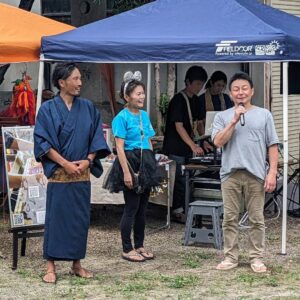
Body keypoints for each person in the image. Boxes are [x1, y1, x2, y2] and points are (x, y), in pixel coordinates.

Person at [34, 63, 110, 284]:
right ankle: (50, 266)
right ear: (61, 82)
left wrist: (89, 161)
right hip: (60, 174)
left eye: (80, 79)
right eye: (75, 79)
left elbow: (97, 137)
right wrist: (64, 163)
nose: (79, 83)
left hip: (81, 175)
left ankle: (76, 264)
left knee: (79, 220)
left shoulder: (88, 107)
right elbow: (42, 141)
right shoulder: (47, 109)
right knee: (56, 219)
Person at [212, 72, 279, 273]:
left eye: (244, 88)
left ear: (252, 91)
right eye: (236, 89)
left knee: (257, 218)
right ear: (230, 93)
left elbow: (272, 145)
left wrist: (272, 172)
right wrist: (233, 120)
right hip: (230, 174)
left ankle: (256, 257)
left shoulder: (264, 114)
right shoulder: (222, 116)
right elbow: (217, 142)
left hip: (256, 174)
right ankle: (230, 256)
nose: (240, 92)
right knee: (230, 218)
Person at [104, 71, 161, 262]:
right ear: (127, 97)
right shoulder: (121, 118)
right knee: (132, 207)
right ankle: (127, 248)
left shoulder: (144, 115)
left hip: (145, 162)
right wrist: (127, 173)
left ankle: (140, 245)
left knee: (143, 207)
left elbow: (149, 141)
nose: (141, 96)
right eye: (137, 93)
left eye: (142, 93)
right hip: (130, 161)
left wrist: (152, 163)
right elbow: (119, 147)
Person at [163, 66, 208, 222]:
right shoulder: (178, 100)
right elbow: (179, 125)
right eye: (196, 84)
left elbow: (199, 123)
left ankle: (187, 207)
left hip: (189, 147)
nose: (199, 87)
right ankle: (177, 210)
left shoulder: (196, 100)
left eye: (201, 84)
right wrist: (193, 145)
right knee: (178, 180)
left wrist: (204, 141)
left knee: (187, 179)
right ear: (187, 82)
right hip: (176, 147)